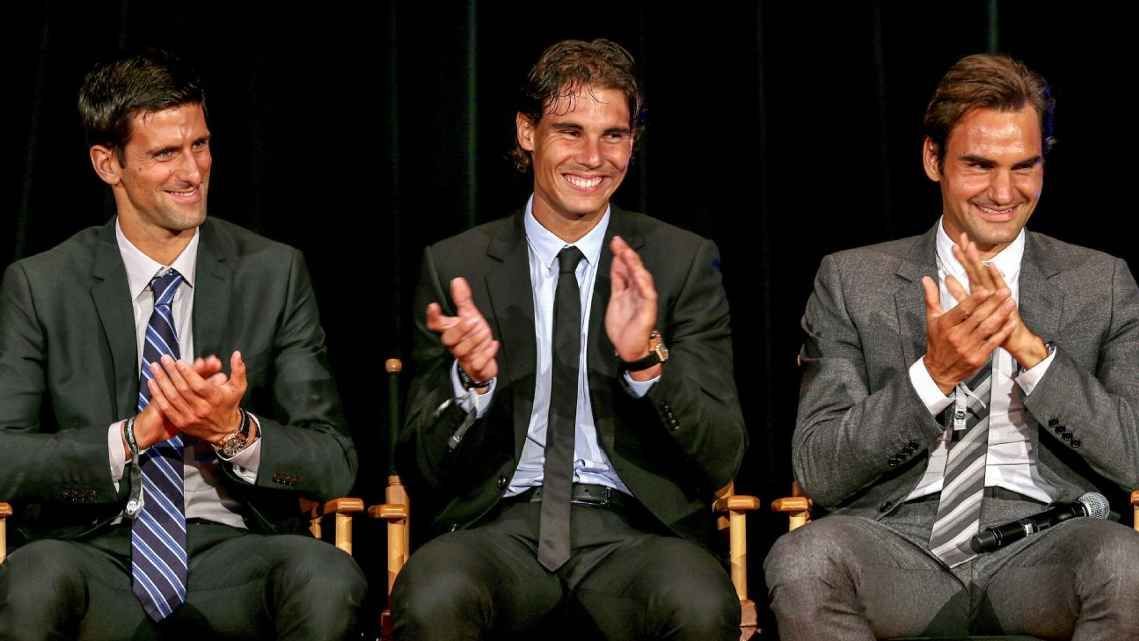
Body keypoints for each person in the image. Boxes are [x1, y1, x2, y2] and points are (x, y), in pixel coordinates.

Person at [765, 53, 1139, 639]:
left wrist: (1034, 356)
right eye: (979, 165)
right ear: (933, 159)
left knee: (1126, 563)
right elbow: (819, 468)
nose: (1004, 191)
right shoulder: (852, 280)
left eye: (1024, 167)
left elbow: (1132, 455)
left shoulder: (1102, 283)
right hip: (896, 540)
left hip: (1047, 542)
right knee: (804, 560)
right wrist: (933, 377)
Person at [0, 49, 365, 640]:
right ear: (108, 164)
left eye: (200, 145)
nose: (193, 172)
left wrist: (232, 431)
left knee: (325, 576)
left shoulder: (272, 273)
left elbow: (333, 461)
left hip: (235, 551)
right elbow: (6, 456)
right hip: (91, 551)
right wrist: (133, 436)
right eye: (166, 153)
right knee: (31, 580)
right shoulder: (41, 285)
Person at [392, 38, 747, 641]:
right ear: (527, 132)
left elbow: (721, 454)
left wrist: (646, 363)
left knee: (700, 605)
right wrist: (471, 385)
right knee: (432, 596)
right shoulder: (458, 265)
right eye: (570, 131)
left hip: (637, 531)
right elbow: (421, 464)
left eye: (614, 135)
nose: (593, 157)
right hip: (497, 528)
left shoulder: (680, 262)